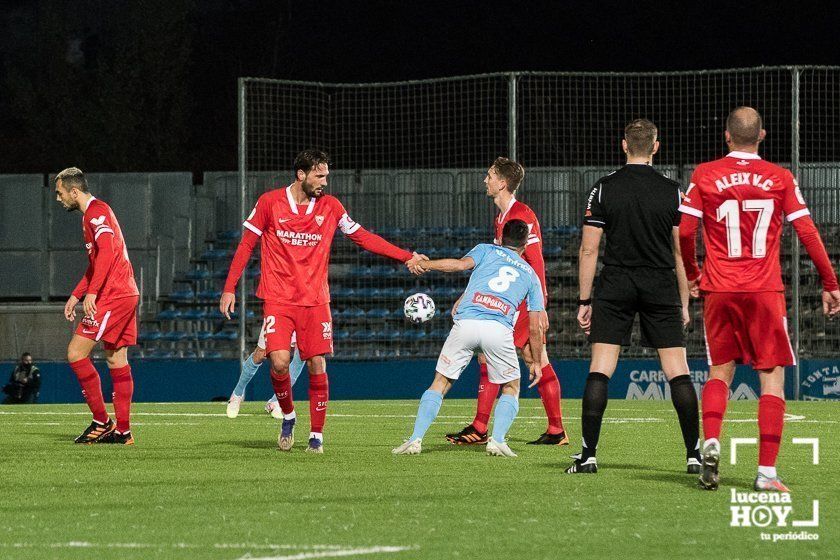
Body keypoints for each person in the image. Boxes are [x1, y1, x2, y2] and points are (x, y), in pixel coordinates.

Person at [221, 150, 427, 453]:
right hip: (278, 298)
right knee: (277, 362)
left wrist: (406, 256)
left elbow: (364, 237)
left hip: (316, 301)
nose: (324, 182)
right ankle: (288, 416)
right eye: (319, 175)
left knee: (317, 363)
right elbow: (246, 245)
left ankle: (316, 435)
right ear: (301, 174)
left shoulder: (330, 207)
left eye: (326, 176)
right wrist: (229, 288)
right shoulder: (269, 202)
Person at [679, 107, 840, 492]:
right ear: (762, 135)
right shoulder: (780, 178)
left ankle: (713, 441)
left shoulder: (704, 174)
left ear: (727, 136)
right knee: (772, 377)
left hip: (719, 287)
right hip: (765, 290)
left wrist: (692, 275)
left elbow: (685, 233)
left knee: (720, 371)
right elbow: (808, 231)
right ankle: (766, 473)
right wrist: (830, 282)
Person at [567, 119, 701, 475]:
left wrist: (584, 302)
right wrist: (685, 302)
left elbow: (589, 250)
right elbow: (680, 253)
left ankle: (588, 456)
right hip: (660, 285)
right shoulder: (674, 192)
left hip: (616, 284)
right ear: (656, 146)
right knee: (678, 371)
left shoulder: (604, 189)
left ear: (624, 145)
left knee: (601, 369)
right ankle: (694, 456)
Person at [393, 220, 544, 457]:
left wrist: (426, 264)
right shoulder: (531, 275)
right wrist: (536, 361)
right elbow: (535, 327)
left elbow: (459, 265)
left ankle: (415, 439)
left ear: (502, 237)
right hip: (498, 330)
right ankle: (498, 440)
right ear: (525, 243)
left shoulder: (485, 249)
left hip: (466, 324)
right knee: (511, 386)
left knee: (440, 383)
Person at [446, 157, 568, 446]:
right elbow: (496, 265)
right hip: (514, 299)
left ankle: (483, 427)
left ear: (502, 183)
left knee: (505, 356)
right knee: (523, 358)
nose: (485, 180)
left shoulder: (522, 215)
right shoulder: (501, 218)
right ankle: (554, 430)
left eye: (489, 176)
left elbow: (535, 261)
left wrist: (540, 307)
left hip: (524, 301)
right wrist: (467, 294)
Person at [55, 167, 139, 445]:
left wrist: (92, 294)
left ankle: (102, 421)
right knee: (116, 358)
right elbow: (96, 263)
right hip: (125, 291)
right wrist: (76, 295)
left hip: (113, 294)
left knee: (76, 353)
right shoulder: (93, 214)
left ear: (74, 191)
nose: (58, 198)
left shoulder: (96, 212)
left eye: (60, 193)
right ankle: (123, 431)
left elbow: (107, 252)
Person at [226, 329, 305, 419]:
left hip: (302, 316)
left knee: (301, 355)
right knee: (260, 354)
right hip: (278, 316)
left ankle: (276, 401)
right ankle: (236, 395)